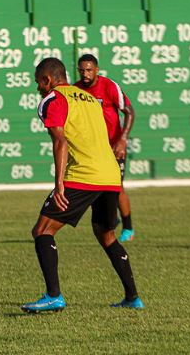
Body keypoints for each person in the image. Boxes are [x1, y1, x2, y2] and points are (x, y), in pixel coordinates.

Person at [21, 57, 144, 313]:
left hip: (84, 175)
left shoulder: (53, 99)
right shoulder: (87, 97)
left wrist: (59, 184)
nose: (38, 89)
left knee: (42, 230)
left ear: (48, 80)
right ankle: (133, 297)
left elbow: (60, 142)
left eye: (38, 83)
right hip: (110, 175)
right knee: (106, 234)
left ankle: (54, 296)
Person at [75, 54, 136, 242]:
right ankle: (111, 219)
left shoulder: (109, 87)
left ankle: (128, 228)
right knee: (94, 189)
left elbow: (129, 112)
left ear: (97, 70)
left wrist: (122, 139)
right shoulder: (76, 90)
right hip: (92, 151)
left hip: (113, 148)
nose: (85, 74)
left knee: (117, 188)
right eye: (82, 70)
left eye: (89, 70)